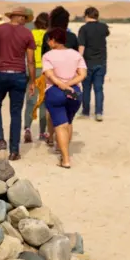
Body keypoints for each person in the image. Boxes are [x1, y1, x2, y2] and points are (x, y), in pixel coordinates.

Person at [0, 7, 36, 161]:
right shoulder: (27, 33)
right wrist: (32, 81)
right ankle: (14, 151)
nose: (25, 21)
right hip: (19, 76)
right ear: (19, 17)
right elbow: (30, 61)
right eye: (25, 18)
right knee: (16, 112)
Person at [42, 28, 88, 168]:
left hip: (55, 92)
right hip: (74, 92)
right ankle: (62, 149)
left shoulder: (48, 55)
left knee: (60, 126)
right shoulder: (75, 54)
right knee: (68, 122)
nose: (48, 42)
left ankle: (65, 159)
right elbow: (82, 74)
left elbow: (50, 75)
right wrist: (69, 84)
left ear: (53, 41)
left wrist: (62, 85)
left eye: (49, 40)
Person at [42, 6, 79, 147]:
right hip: (71, 81)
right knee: (68, 118)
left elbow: (44, 58)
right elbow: (77, 58)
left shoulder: (48, 37)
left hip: (53, 80)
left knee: (51, 111)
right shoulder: (73, 37)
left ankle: (51, 137)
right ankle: (62, 146)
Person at [78, 7, 110, 122]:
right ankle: (99, 113)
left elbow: (81, 46)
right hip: (101, 62)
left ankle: (86, 112)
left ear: (86, 15)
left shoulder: (83, 29)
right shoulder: (103, 27)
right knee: (98, 88)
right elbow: (107, 33)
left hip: (87, 63)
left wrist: (77, 61)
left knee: (86, 88)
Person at [23, 12, 49, 142]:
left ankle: (27, 128)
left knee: (30, 99)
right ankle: (42, 132)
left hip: (30, 69)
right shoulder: (48, 36)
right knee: (43, 101)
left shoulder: (30, 34)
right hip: (44, 71)